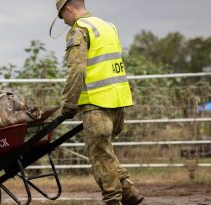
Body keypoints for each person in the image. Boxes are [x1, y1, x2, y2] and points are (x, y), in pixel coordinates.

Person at [53, 0, 144, 205]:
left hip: (97, 102)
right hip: (118, 100)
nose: (65, 22)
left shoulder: (79, 30)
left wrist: (68, 104)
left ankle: (113, 201)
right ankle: (129, 192)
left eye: (62, 17)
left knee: (100, 155)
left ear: (68, 9)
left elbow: (77, 70)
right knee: (104, 149)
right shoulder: (108, 26)